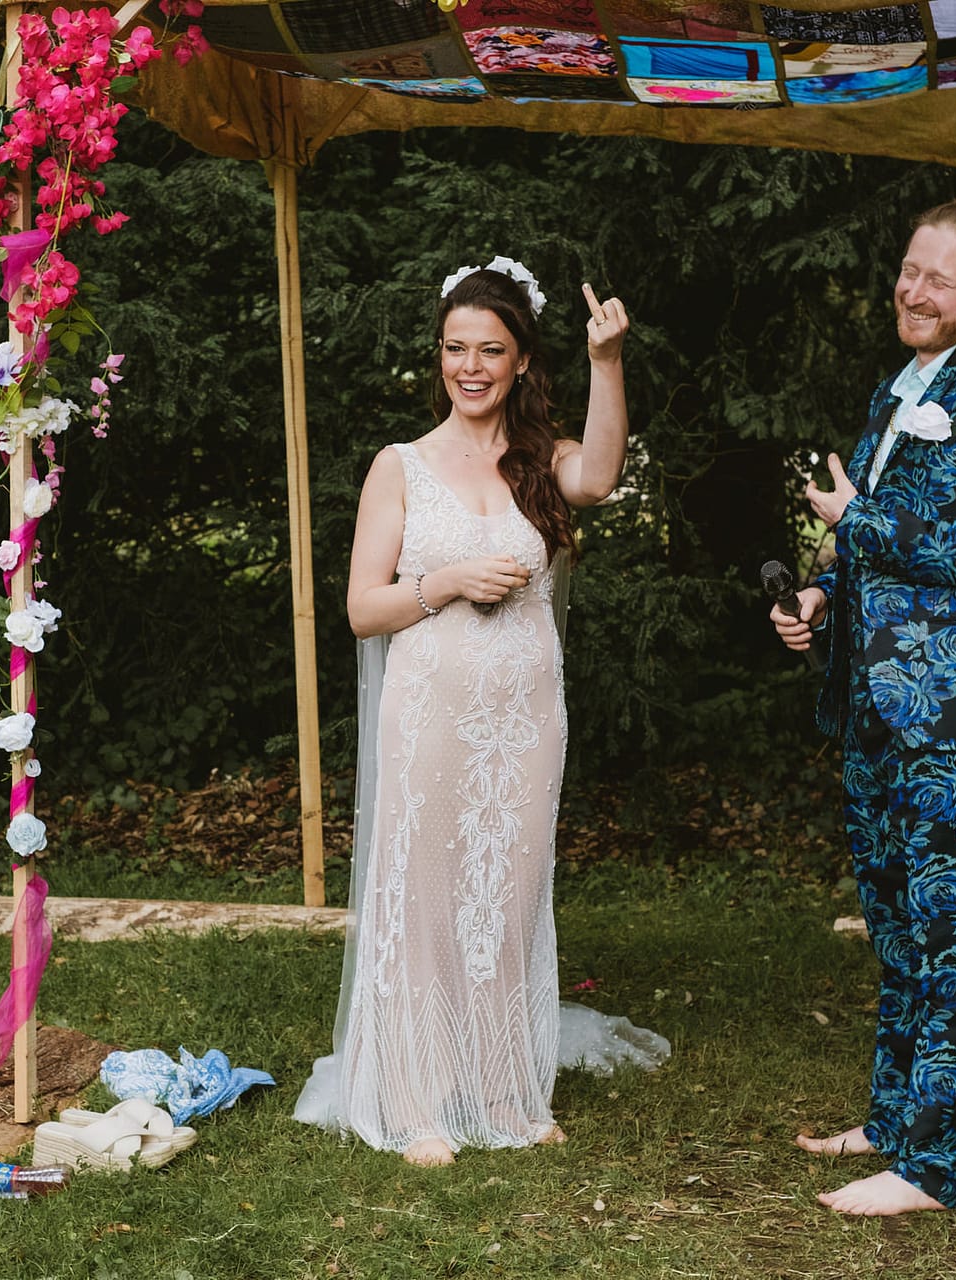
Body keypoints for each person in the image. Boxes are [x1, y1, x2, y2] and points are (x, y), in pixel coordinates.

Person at [294, 259, 639, 1167]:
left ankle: (502, 1086)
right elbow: (364, 608)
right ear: (439, 356)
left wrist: (608, 361)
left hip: (527, 713)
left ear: (523, 360)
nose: (471, 366)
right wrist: (444, 583)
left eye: (491, 349)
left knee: (509, 893)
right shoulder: (400, 465)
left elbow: (599, 479)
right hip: (433, 709)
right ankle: (413, 1101)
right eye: (456, 349)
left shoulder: (540, 460)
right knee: (429, 892)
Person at [772, 189, 956, 1216]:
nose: (913, 287)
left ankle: (932, 1166)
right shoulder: (901, 388)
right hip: (877, 702)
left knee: (950, 933)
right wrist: (820, 590)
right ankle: (894, 1119)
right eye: (908, 265)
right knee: (898, 923)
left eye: (939, 275)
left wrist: (866, 522)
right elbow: (869, 536)